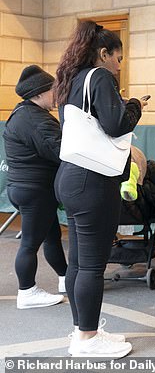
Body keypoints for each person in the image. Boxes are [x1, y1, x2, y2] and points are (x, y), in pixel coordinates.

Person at [54, 20, 146, 358]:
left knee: (78, 262)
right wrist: (134, 105)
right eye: (118, 58)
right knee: (92, 265)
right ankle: (88, 339)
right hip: (93, 181)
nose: (120, 65)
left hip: (70, 178)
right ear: (103, 54)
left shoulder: (71, 80)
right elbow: (116, 124)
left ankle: (82, 331)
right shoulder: (101, 77)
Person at [3, 65, 67, 310]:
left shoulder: (21, 113)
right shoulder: (36, 120)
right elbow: (61, 151)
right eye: (54, 90)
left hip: (24, 188)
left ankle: (65, 277)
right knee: (30, 243)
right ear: (40, 93)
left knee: (51, 236)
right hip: (35, 191)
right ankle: (27, 291)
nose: (58, 95)